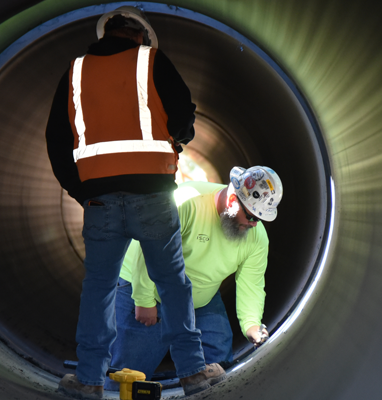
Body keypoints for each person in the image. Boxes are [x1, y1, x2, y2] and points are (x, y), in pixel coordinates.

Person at [45, 6, 225, 399]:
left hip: (101, 203)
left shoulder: (75, 72)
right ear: (141, 36)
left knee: (100, 289)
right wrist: (173, 145)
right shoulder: (153, 61)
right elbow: (183, 115)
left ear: (105, 33)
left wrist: (82, 192)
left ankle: (89, 380)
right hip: (154, 196)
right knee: (174, 285)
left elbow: (57, 140)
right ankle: (194, 372)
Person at [105, 166, 283, 389]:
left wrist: (252, 326)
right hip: (146, 285)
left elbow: (251, 284)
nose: (253, 224)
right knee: (129, 375)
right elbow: (149, 250)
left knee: (218, 360)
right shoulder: (186, 202)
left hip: (199, 294)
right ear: (231, 199)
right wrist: (143, 300)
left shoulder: (255, 237)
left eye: (259, 218)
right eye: (250, 215)